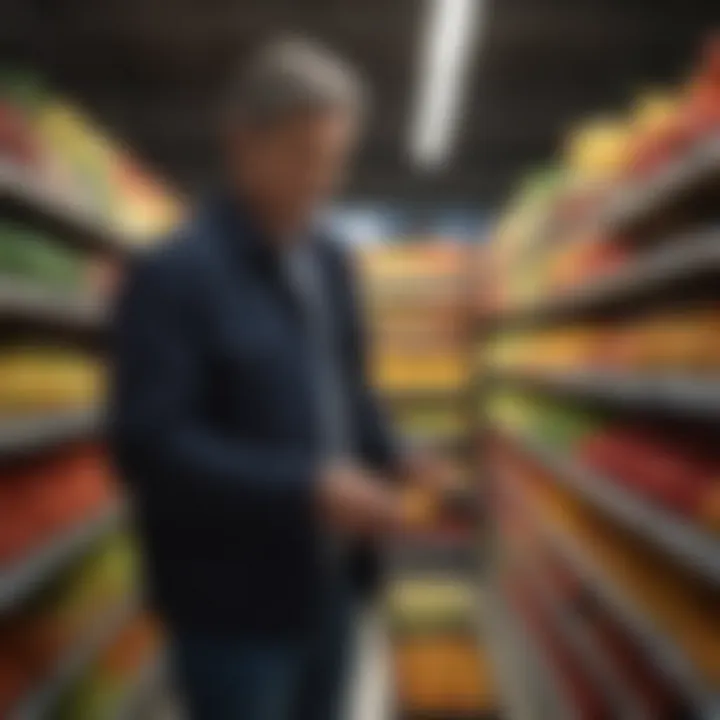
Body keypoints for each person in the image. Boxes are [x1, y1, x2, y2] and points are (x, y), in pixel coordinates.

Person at [110, 38, 448, 720]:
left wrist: (391, 451)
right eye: (305, 157)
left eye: (336, 161)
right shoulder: (175, 276)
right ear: (242, 143)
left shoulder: (330, 264)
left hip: (332, 586)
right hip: (234, 609)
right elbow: (149, 444)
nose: (323, 182)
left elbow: (347, 388)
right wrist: (305, 486)